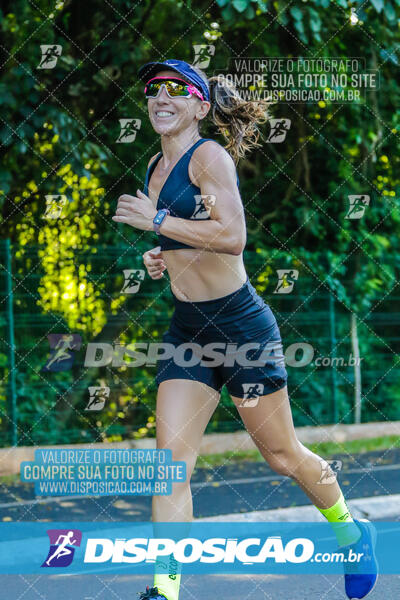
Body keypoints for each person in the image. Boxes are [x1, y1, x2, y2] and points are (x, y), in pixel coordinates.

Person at [112, 58, 378, 600]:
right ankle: (164, 590)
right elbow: (195, 236)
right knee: (169, 468)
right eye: (152, 90)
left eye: (175, 90)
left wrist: (158, 222)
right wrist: (163, 255)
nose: (160, 97)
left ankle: (352, 532)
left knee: (280, 456)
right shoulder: (153, 168)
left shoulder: (208, 156)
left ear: (200, 106)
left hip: (240, 327)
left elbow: (232, 236)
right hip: (189, 330)